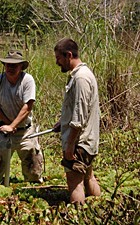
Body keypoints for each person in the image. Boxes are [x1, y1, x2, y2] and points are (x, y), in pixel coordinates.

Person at [53, 38, 101, 204]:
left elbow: (79, 117)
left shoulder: (80, 78)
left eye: (59, 58)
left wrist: (70, 146)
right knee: (89, 177)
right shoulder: (83, 75)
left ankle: (77, 216)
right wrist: (62, 121)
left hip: (80, 143)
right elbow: (79, 109)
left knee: (75, 183)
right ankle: (99, 211)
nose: (57, 62)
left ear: (69, 55)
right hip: (88, 140)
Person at [0, 50, 43, 184]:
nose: (10, 68)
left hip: (25, 131)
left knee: (33, 169)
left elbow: (28, 106)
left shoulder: (27, 80)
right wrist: (9, 125)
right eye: (8, 65)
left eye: (14, 65)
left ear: (21, 66)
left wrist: (14, 125)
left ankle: (32, 190)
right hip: (5, 130)